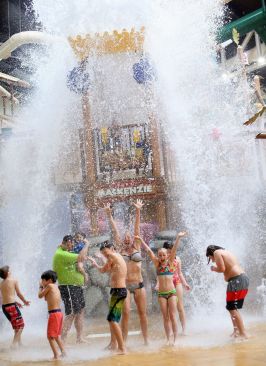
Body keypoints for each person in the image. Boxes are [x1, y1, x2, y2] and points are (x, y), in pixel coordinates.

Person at [104, 200, 148, 345]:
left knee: (143, 313)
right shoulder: (120, 248)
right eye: (126, 237)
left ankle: (146, 341)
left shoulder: (136, 246)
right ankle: (124, 341)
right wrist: (109, 215)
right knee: (126, 313)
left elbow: (137, 230)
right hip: (125, 286)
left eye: (129, 237)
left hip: (139, 285)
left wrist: (138, 211)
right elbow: (115, 231)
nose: (127, 238)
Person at [138, 232, 187, 345]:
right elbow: (149, 252)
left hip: (171, 293)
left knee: (173, 316)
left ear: (168, 256)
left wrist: (178, 237)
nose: (161, 257)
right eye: (159, 255)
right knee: (165, 317)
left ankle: (175, 339)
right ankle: (168, 339)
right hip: (162, 294)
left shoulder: (170, 264)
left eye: (164, 255)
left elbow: (174, 249)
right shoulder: (157, 265)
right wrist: (141, 240)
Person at [88, 241, 127, 355]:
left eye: (105, 252)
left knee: (112, 320)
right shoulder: (116, 257)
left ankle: (122, 348)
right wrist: (96, 263)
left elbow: (103, 270)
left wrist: (98, 258)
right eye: (103, 253)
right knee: (112, 320)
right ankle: (114, 344)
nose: (105, 254)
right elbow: (105, 270)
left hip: (119, 291)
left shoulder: (112, 256)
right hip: (117, 291)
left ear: (112, 248)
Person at [206, 245, 249, 339]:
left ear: (211, 252)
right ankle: (236, 331)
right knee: (232, 307)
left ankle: (243, 333)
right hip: (241, 278)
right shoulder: (226, 252)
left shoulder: (217, 252)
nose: (213, 261)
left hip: (236, 280)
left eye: (210, 258)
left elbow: (222, 269)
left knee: (232, 308)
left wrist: (214, 269)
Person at [53, 234, 89, 343]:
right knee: (71, 313)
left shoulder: (64, 251)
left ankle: (79, 338)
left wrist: (84, 274)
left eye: (73, 243)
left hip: (76, 286)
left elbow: (78, 264)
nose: (72, 246)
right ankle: (62, 340)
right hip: (68, 287)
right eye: (71, 243)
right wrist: (87, 244)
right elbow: (81, 257)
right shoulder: (61, 254)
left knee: (80, 311)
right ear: (67, 242)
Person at [163, 241, 190, 335]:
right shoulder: (163, 259)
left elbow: (179, 273)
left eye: (171, 251)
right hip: (167, 284)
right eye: (168, 251)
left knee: (180, 307)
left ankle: (184, 329)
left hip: (177, 282)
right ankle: (170, 331)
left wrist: (185, 283)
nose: (170, 253)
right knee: (170, 309)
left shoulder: (177, 259)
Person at [0, 265, 30, 347]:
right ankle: (13, 345)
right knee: (21, 326)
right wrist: (25, 301)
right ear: (8, 272)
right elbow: (19, 293)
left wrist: (15, 302)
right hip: (11, 307)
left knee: (16, 325)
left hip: (5, 307)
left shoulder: (1, 283)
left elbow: (4, 296)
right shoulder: (13, 280)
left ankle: (19, 343)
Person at [38, 270, 65, 360]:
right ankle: (64, 353)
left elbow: (40, 296)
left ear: (49, 280)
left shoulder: (49, 286)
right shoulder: (55, 287)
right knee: (56, 336)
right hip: (59, 313)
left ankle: (56, 355)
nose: (42, 282)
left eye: (43, 280)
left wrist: (40, 287)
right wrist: (43, 287)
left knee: (50, 337)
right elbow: (46, 298)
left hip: (54, 314)